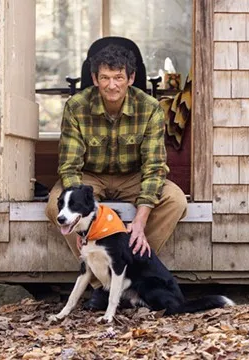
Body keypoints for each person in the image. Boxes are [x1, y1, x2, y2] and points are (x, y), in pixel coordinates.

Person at [45, 43, 187, 310]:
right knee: (55, 203)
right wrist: (78, 222)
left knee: (174, 200)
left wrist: (141, 221)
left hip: (133, 176)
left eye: (119, 77)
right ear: (95, 79)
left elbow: (155, 166)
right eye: (105, 78)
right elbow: (70, 166)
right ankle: (101, 286)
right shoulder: (76, 106)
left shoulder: (150, 108)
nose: (112, 85)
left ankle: (130, 274)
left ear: (131, 78)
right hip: (90, 177)